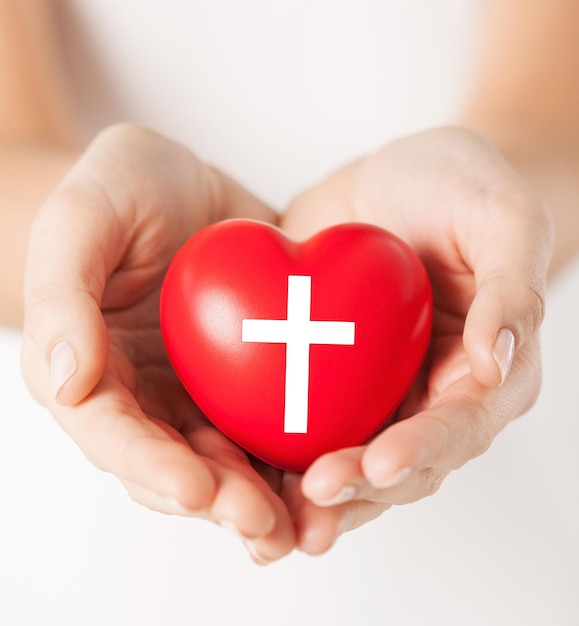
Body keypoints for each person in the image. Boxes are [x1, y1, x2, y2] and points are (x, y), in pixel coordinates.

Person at [1, 1, 577, 568]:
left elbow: (557, 130)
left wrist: (494, 217)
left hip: (503, 511)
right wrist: (78, 258)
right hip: (85, 527)